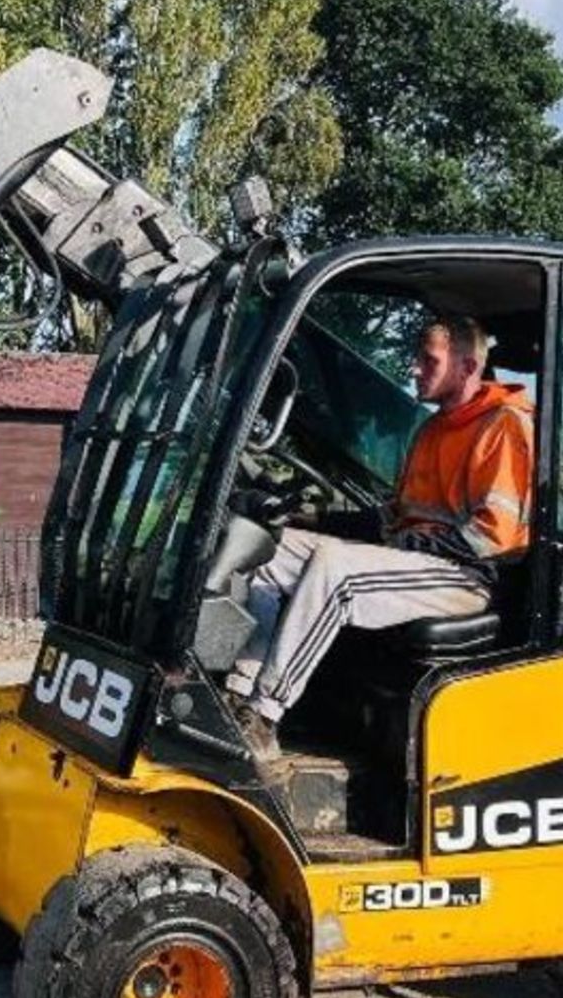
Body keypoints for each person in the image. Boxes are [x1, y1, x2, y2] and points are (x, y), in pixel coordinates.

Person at [226, 314, 535, 756]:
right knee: (269, 548)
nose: (414, 369)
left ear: (467, 368)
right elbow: (395, 518)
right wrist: (306, 520)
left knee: (337, 569)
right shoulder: (433, 430)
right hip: (418, 562)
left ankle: (264, 715)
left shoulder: (503, 425)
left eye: (428, 361)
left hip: (465, 576)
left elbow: (492, 539)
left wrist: (394, 544)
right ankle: (238, 690)